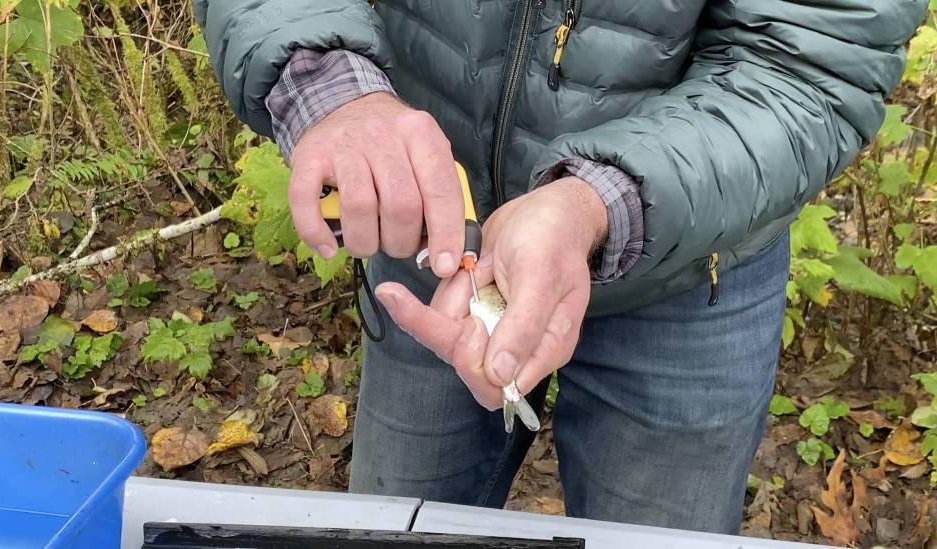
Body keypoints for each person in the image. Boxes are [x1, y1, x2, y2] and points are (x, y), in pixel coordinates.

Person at [195, 0, 925, 534]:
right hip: (436, 236)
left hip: (690, 264)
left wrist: (598, 203)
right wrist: (330, 87)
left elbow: (811, 59)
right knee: (394, 522)